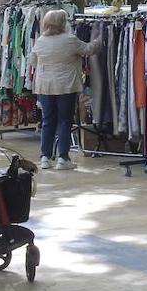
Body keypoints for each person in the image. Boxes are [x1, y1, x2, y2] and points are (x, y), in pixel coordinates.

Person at [27, 9, 99, 170]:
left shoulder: (40, 41)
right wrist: (99, 38)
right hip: (66, 85)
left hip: (45, 86)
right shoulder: (69, 40)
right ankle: (63, 158)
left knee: (47, 121)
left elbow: (32, 61)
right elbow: (88, 49)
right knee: (64, 121)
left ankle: (45, 157)